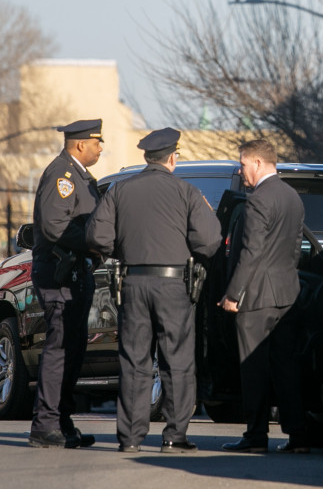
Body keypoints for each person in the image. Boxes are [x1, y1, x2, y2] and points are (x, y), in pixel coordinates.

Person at [86, 127, 221, 454]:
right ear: (173, 157)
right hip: (174, 284)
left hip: (132, 282)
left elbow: (97, 238)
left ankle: (130, 438)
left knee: (134, 360)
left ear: (147, 157)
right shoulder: (187, 192)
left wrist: (125, 252)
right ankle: (174, 436)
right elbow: (210, 240)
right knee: (177, 360)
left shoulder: (119, 190)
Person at [219, 138, 310, 454]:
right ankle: (297, 436)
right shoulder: (292, 197)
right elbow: (295, 249)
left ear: (257, 162)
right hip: (287, 293)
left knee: (253, 366)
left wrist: (233, 293)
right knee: (287, 366)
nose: (241, 171)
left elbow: (251, 251)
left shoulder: (259, 199)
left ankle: (256, 436)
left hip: (257, 296)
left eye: (242, 164)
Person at [28, 118, 104, 449]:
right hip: (59, 275)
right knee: (59, 349)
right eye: (97, 142)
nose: (101, 148)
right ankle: (44, 425)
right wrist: (92, 241)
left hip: (77, 274)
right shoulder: (62, 175)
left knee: (73, 350)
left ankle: (62, 419)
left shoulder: (81, 178)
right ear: (80, 145)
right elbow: (55, 225)